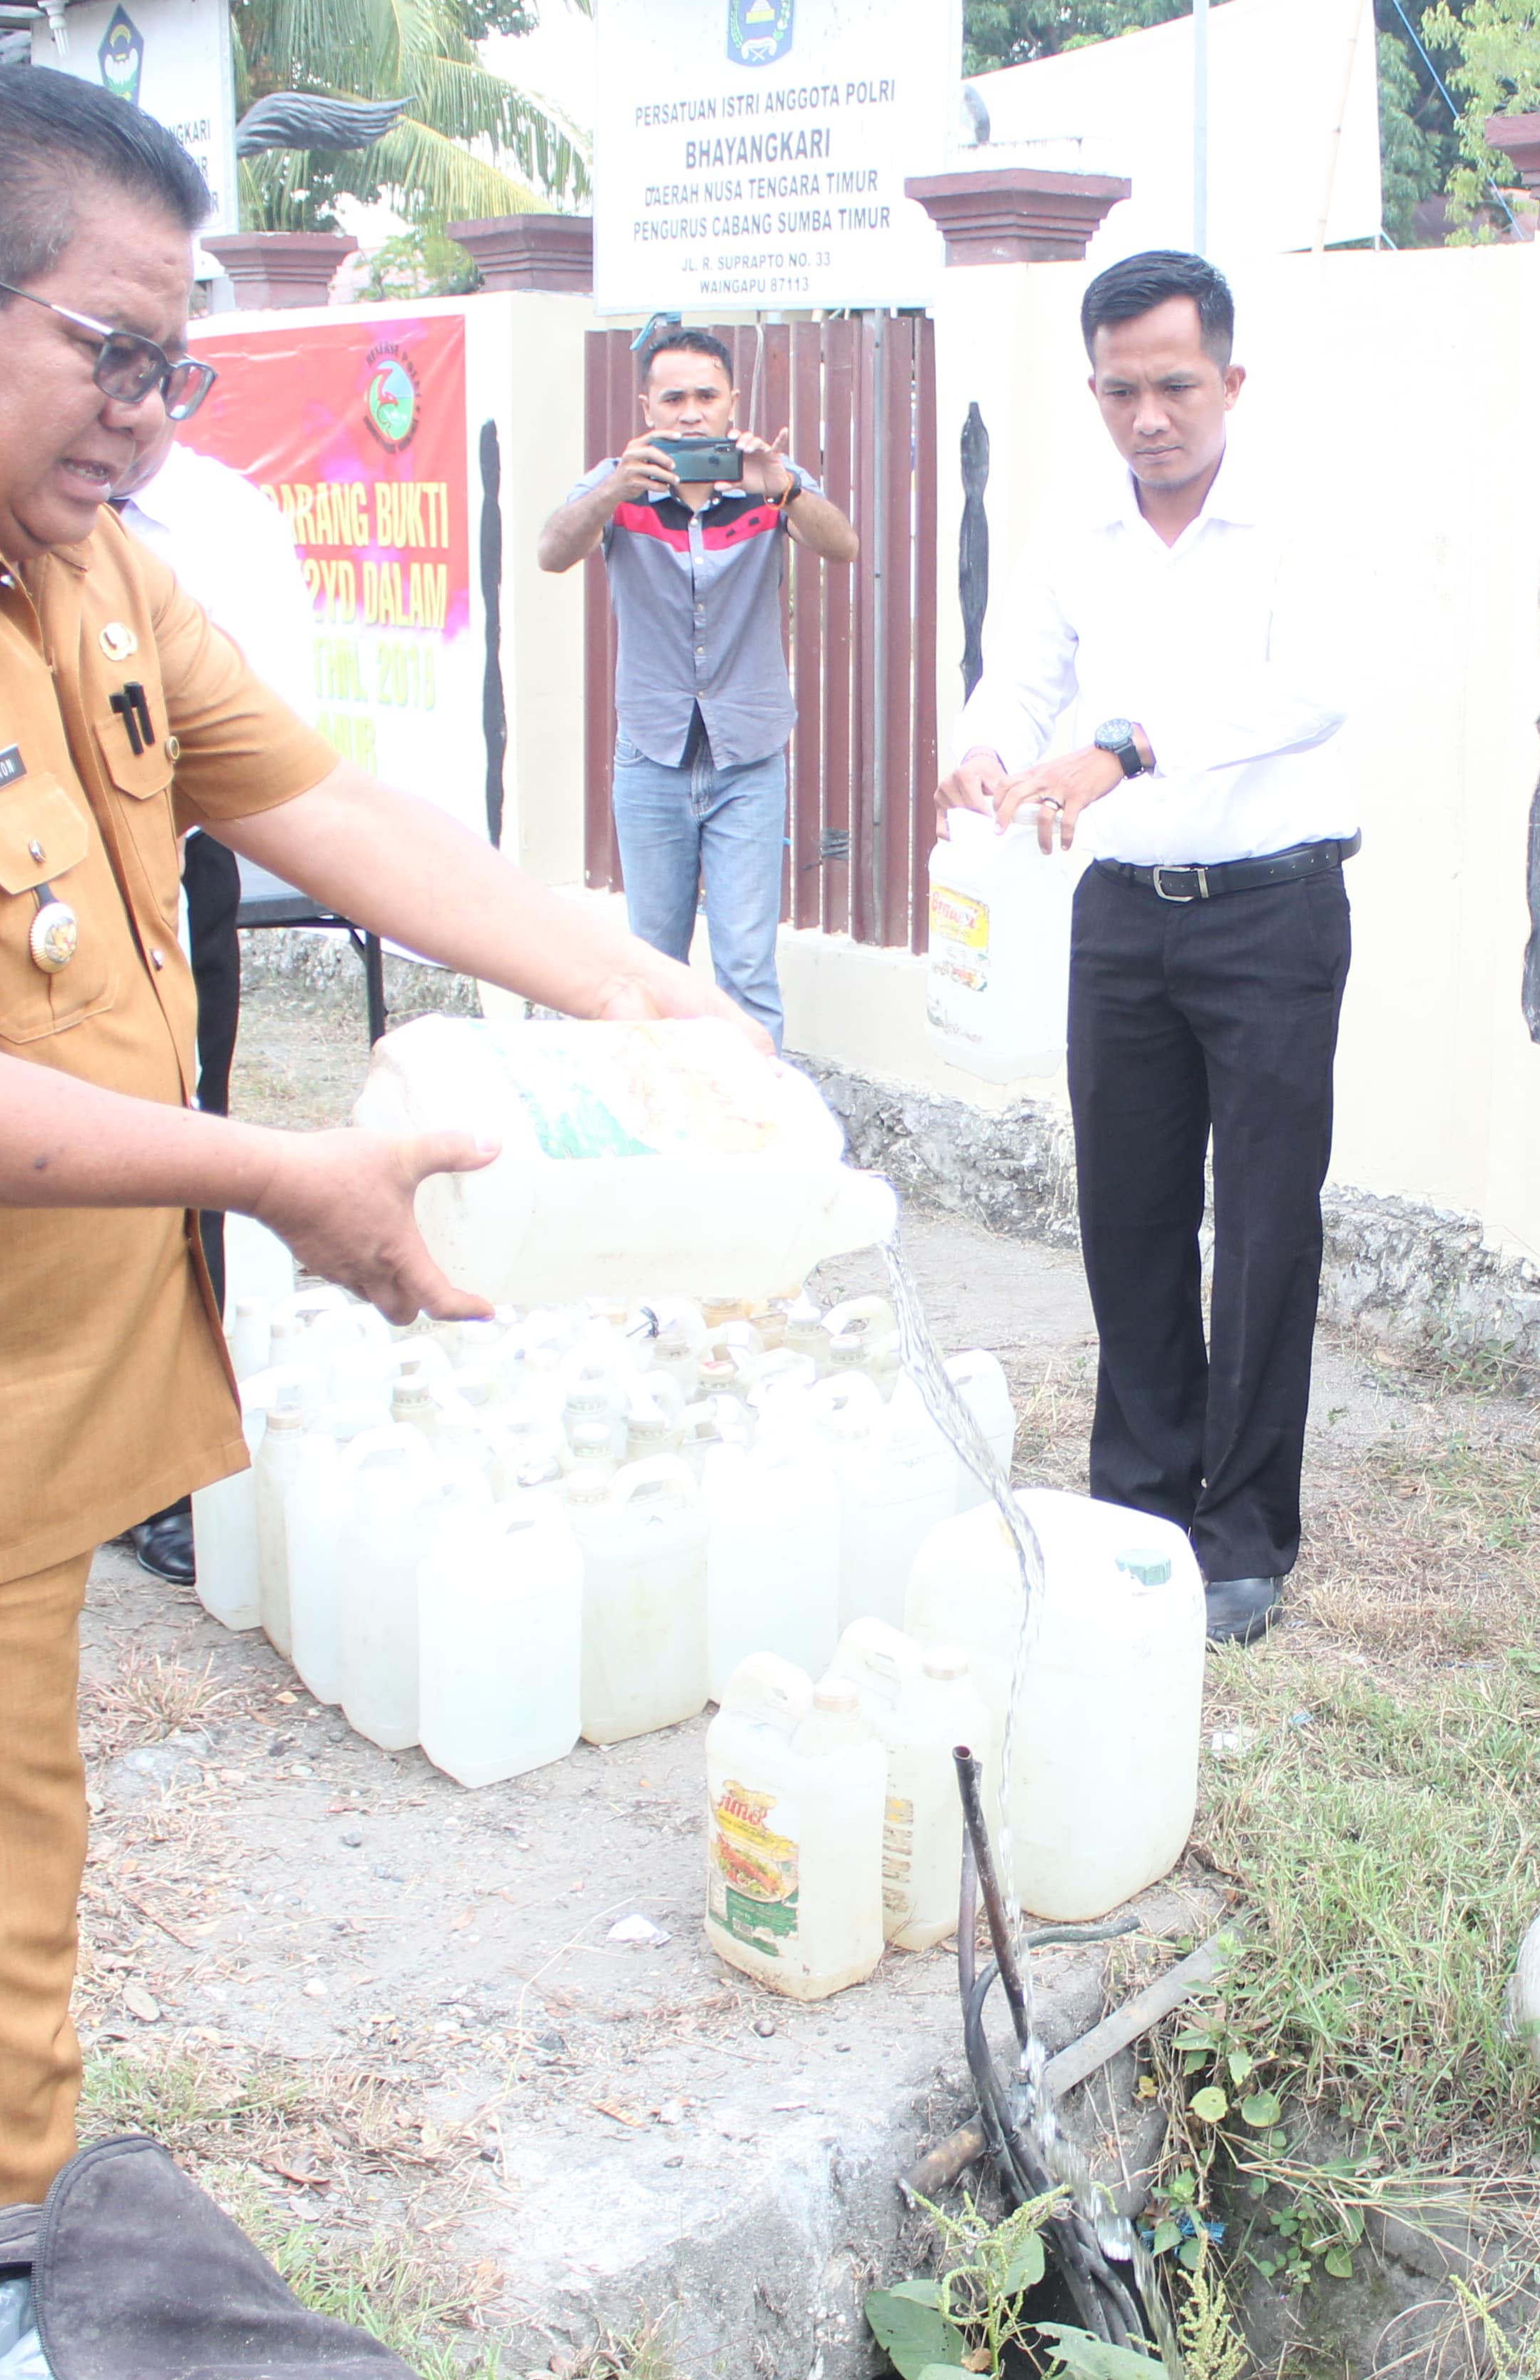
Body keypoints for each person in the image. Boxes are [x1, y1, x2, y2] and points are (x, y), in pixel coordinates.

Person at [0, 65, 741, 2252]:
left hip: (2, 1428)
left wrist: (638, 990)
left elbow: (321, 807)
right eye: (120, 353)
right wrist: (272, 1170)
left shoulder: (74, 561)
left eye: (179, 361)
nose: (154, 411)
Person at [937, 250, 1359, 1650]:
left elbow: (1307, 690)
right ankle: (1138, 1502)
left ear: (1231, 381)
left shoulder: (1298, 522)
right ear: (1096, 392)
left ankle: (1242, 1536)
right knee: (1125, 1215)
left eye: (1177, 385)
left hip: (1272, 908)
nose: (1150, 417)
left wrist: (1125, 744)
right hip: (1121, 917)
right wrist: (987, 751)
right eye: (1121, 391)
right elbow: (1021, 674)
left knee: (1264, 1227)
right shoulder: (1078, 536)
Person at [106, 412, 319, 1588]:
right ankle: (79, 1461)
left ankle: (173, 1472)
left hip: (180, 851)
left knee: (186, 1159)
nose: (130, 406)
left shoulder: (226, 520)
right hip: (20, 868)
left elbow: (269, 738)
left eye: (161, 373)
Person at [535, 324, 859, 1045]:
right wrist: (615, 488)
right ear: (647, 404)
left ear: (732, 402)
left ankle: (761, 1131)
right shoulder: (617, 483)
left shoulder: (769, 479)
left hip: (748, 755)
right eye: (673, 396)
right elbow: (553, 552)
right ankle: (662, 1126)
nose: (690, 413)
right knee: (652, 963)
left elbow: (844, 545)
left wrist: (787, 490)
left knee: (746, 964)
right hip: (652, 754)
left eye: (706, 396)